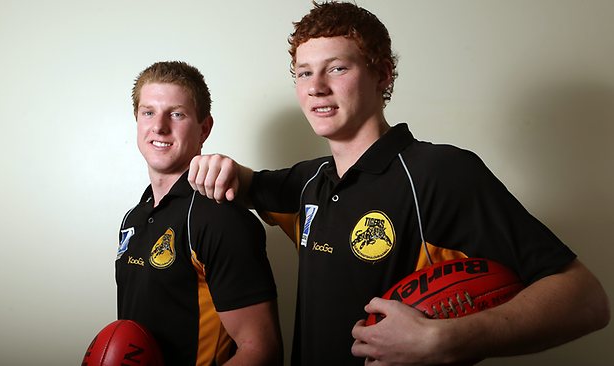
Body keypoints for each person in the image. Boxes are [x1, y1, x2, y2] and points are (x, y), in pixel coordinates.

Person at [188, 2, 610, 365]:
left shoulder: (440, 173)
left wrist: (445, 339)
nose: (316, 87)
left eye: (337, 68)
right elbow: (245, 183)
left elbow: (586, 300)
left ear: (383, 74)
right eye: (303, 73)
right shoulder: (309, 181)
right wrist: (219, 165)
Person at [115, 61, 283, 365]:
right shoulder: (133, 218)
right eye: (148, 112)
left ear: (204, 128)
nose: (159, 126)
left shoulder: (220, 218)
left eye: (176, 114)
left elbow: (261, 350)